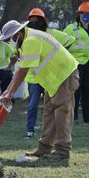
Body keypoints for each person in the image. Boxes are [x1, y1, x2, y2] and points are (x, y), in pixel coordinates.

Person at [0, 20, 79, 160]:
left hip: (63, 76)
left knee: (62, 113)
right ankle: (44, 148)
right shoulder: (26, 40)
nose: (9, 42)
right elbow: (19, 70)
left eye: (10, 38)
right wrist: (7, 91)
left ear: (18, 33)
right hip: (54, 80)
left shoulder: (31, 41)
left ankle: (63, 151)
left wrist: (10, 93)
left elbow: (23, 71)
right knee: (49, 113)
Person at [24, 8, 75, 138]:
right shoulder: (28, 37)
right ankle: (30, 130)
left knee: (52, 108)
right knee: (33, 106)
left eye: (37, 19)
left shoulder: (51, 33)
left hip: (50, 78)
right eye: (32, 20)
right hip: (34, 78)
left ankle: (50, 137)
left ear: (43, 21)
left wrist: (58, 56)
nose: (35, 22)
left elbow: (70, 40)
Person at [64, 1, 89, 123]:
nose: (88, 16)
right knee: (75, 91)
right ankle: (73, 117)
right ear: (80, 14)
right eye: (86, 13)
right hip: (77, 65)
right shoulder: (71, 28)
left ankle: (88, 118)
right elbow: (63, 47)